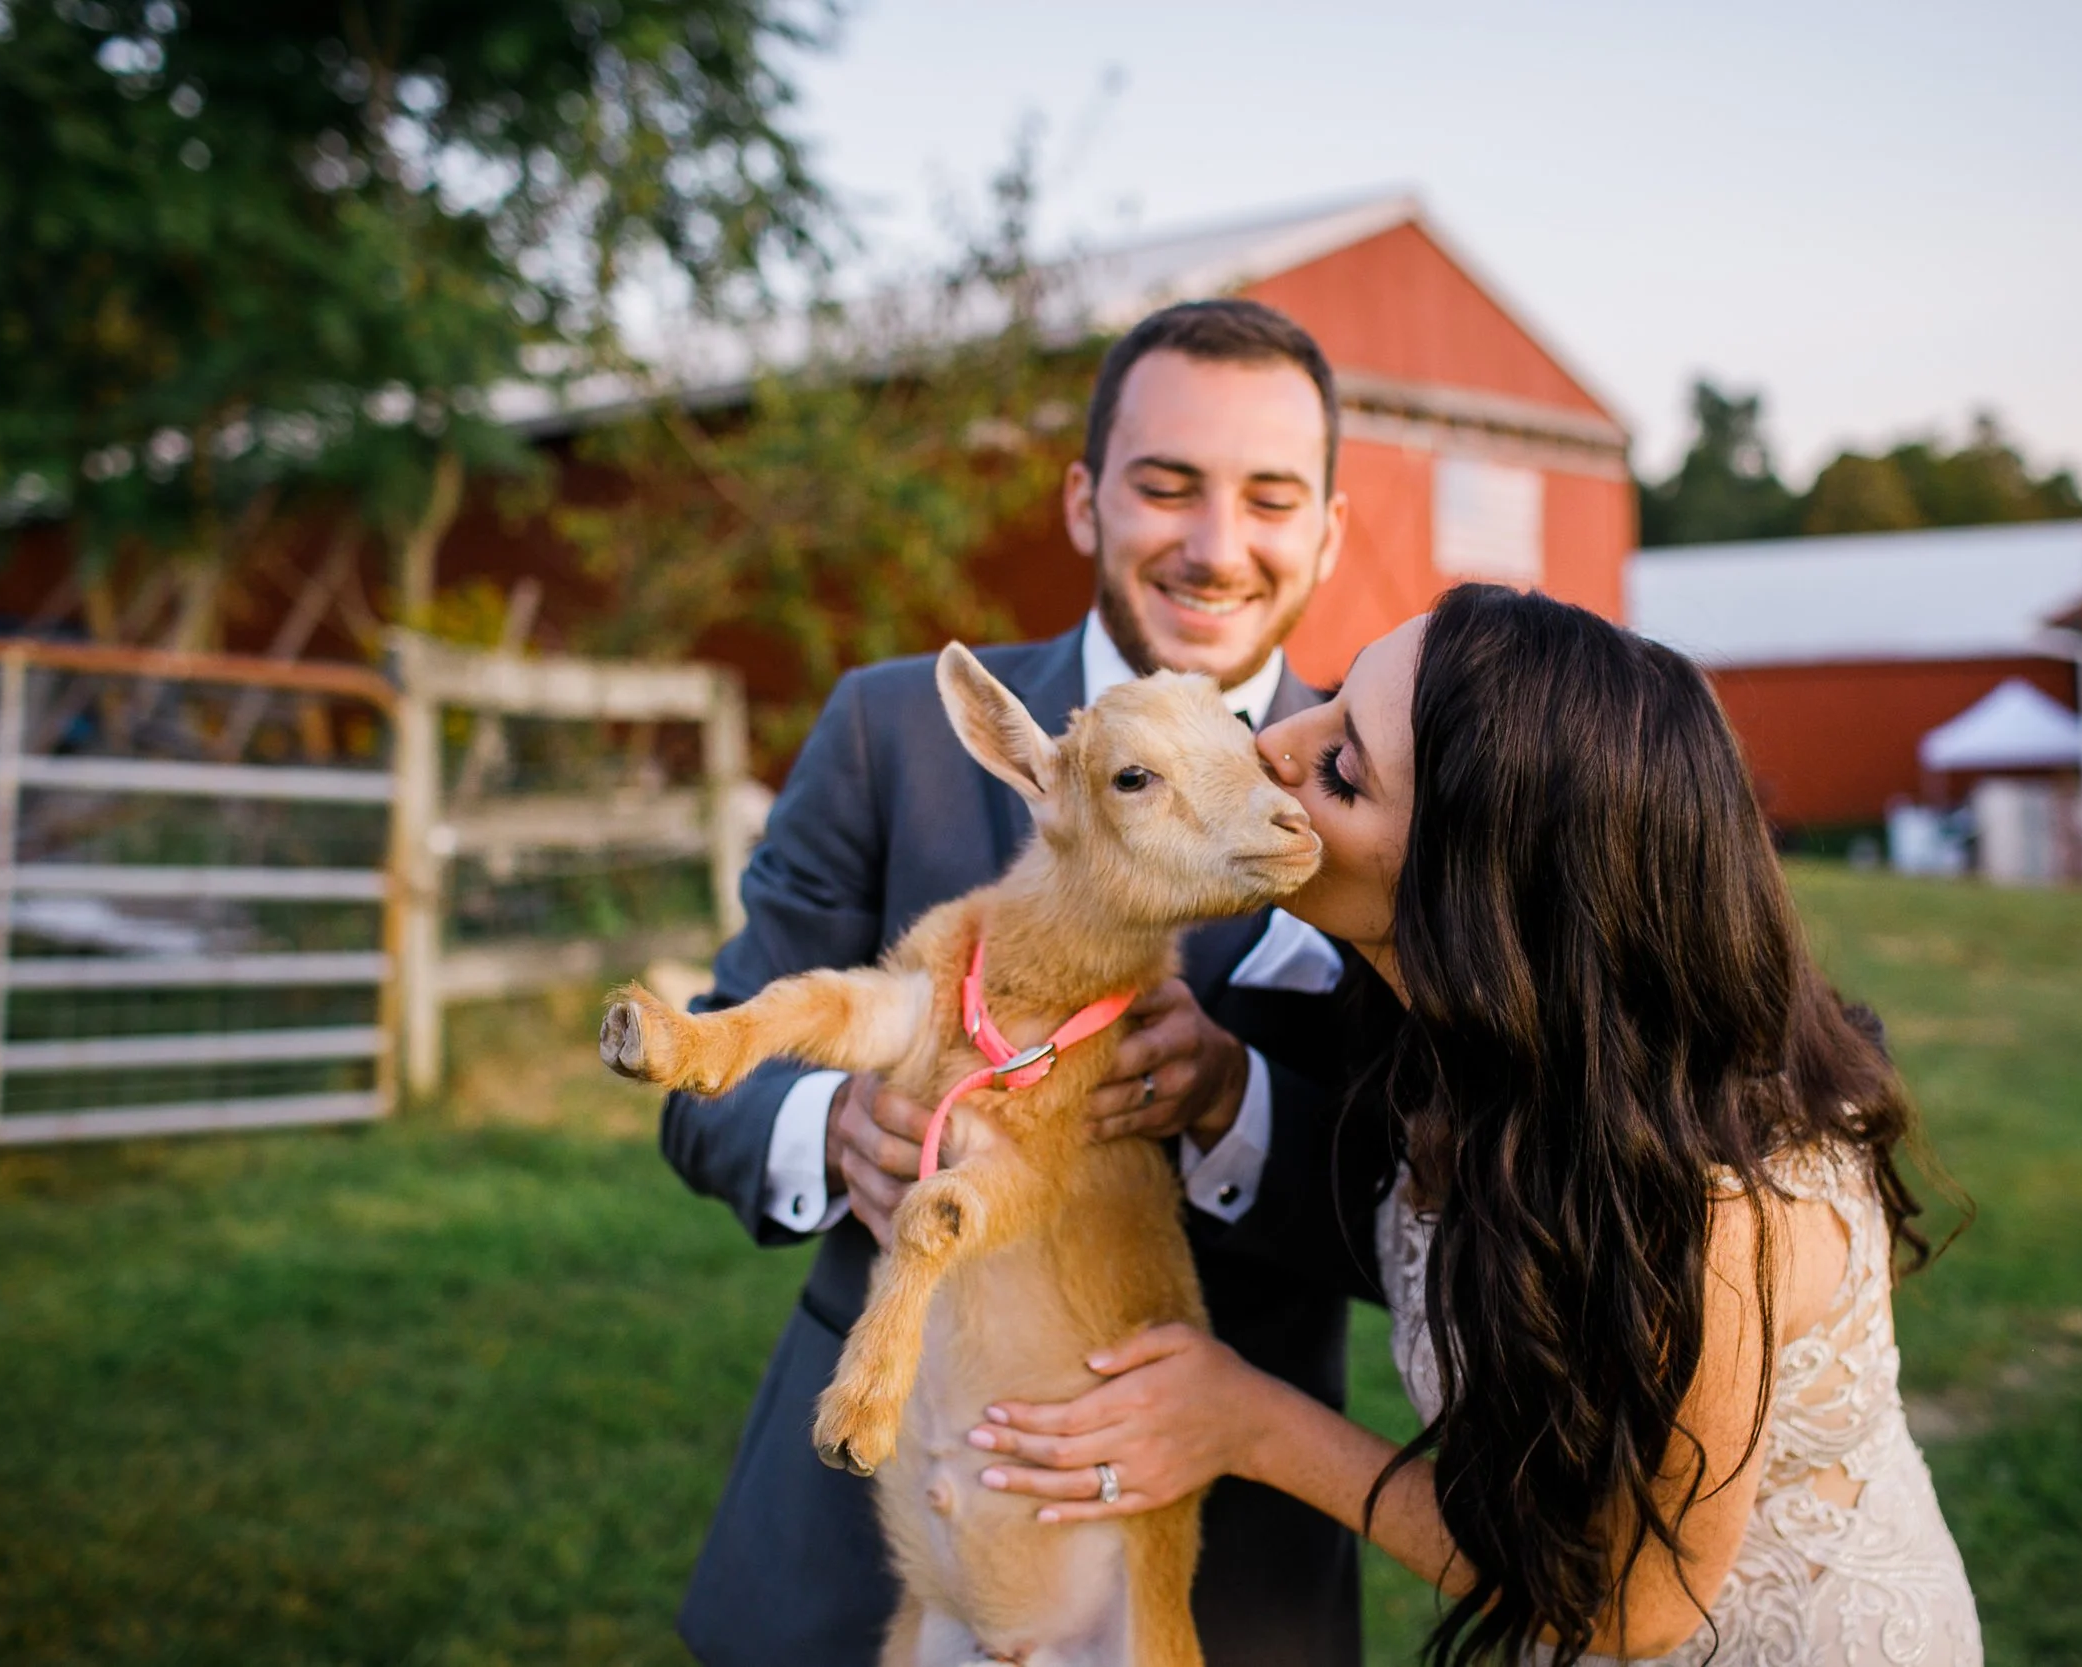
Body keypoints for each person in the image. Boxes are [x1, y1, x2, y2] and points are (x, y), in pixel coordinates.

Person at [968, 585, 1984, 1665]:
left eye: (1344, 768)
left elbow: (1629, 1606)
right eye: (1331, 698)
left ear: (1479, 896)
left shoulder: (1720, 1205)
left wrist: (1250, 1422)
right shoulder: (1458, 1040)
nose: (1272, 745)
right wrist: (1221, 1088)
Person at [659, 299, 1390, 1666]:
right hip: (872, 1545)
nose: (1215, 544)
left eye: (1270, 498)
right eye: (1166, 485)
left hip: (1213, 1562)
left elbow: (1437, 1206)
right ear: (1082, 499)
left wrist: (1236, 1098)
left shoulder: (1379, 788)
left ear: (1329, 530)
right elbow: (706, 1085)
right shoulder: (896, 733)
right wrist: (837, 1127)